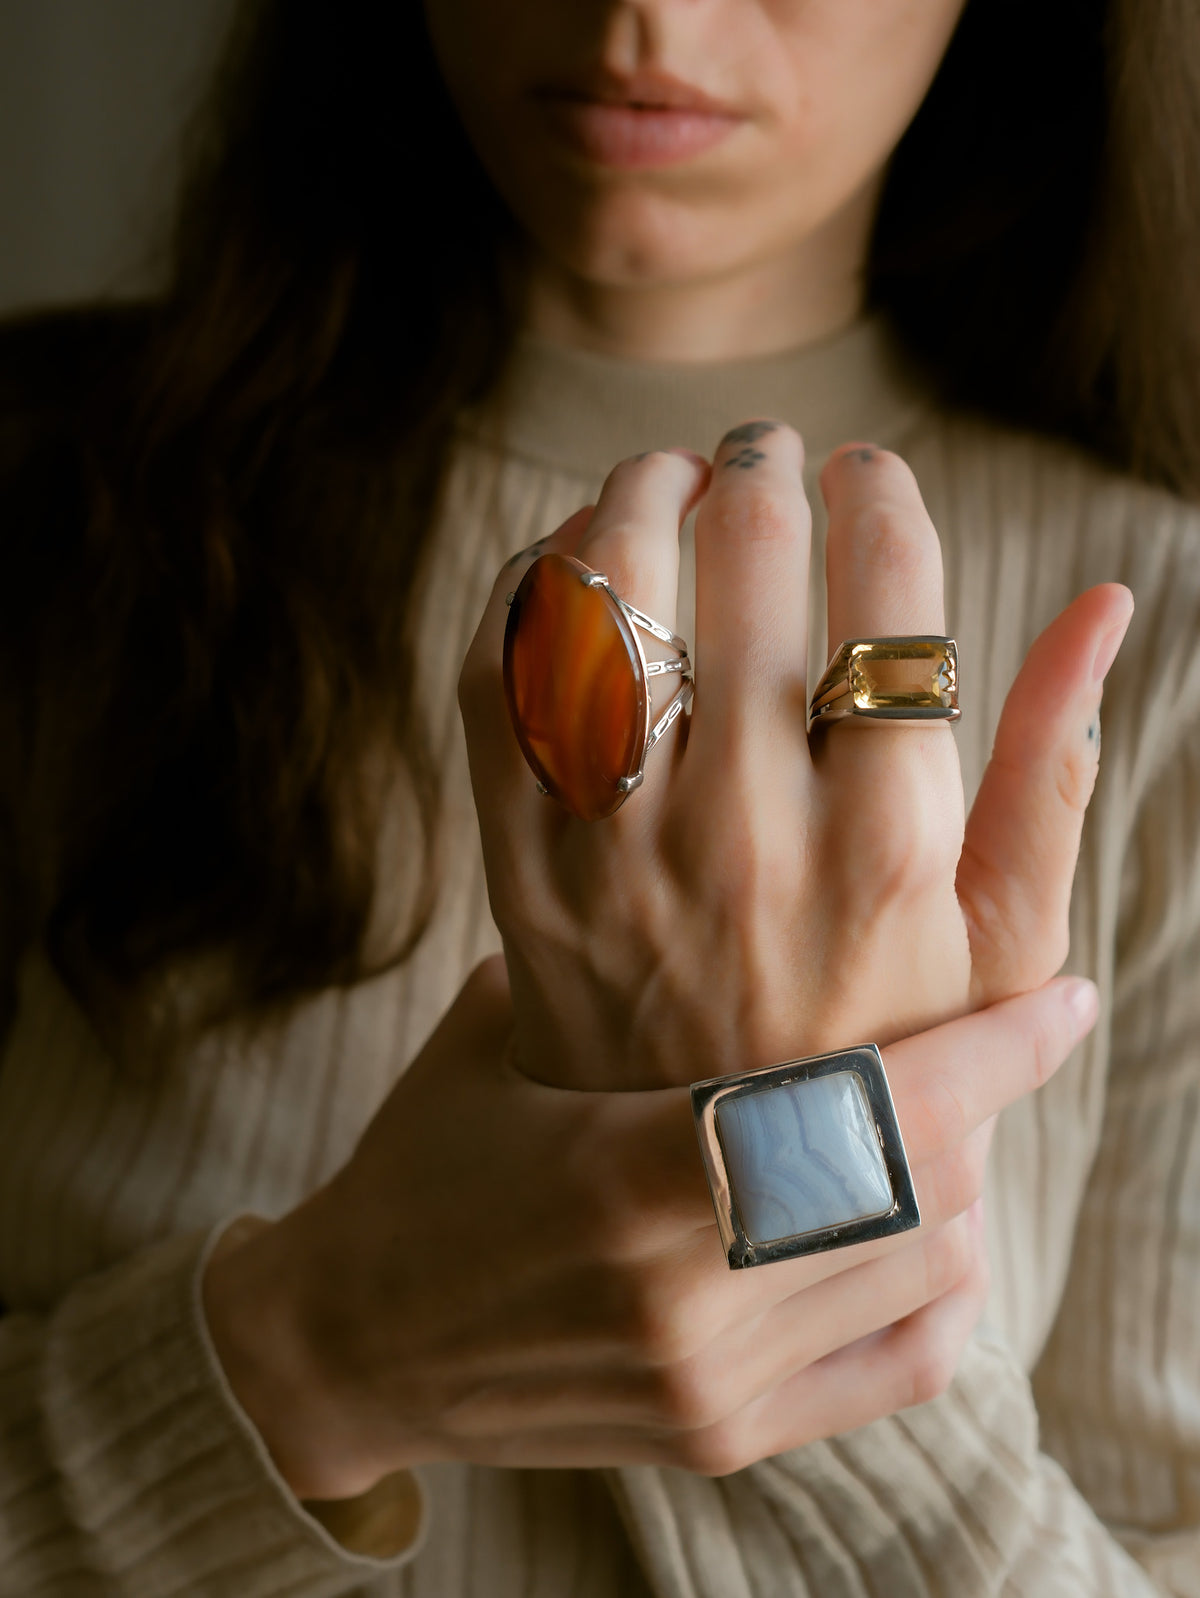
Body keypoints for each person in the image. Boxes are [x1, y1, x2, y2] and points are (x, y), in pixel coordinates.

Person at [1, 0, 1198, 1593]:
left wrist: (781, 1210)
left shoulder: (1164, 626)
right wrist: (319, 1352)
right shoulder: (46, 498)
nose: (648, 12)